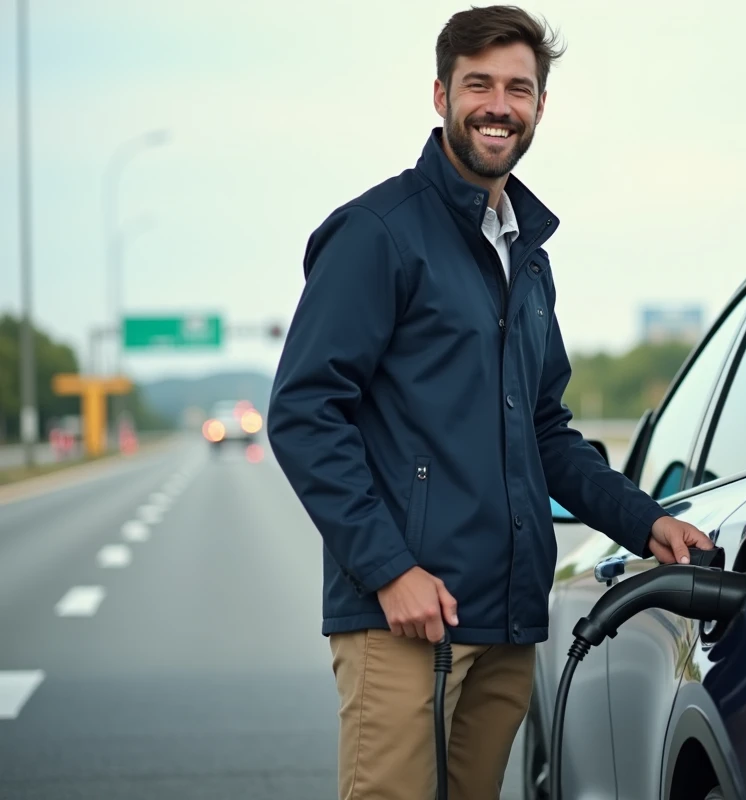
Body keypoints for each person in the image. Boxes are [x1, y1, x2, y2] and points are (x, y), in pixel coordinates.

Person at [266, 5, 714, 799]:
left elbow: (547, 432)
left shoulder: (527, 258)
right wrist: (388, 569)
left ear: (541, 106)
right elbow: (304, 413)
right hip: (403, 616)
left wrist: (646, 520)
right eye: (479, 85)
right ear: (440, 95)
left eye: (518, 88)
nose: (499, 105)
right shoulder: (378, 233)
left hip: (506, 620)